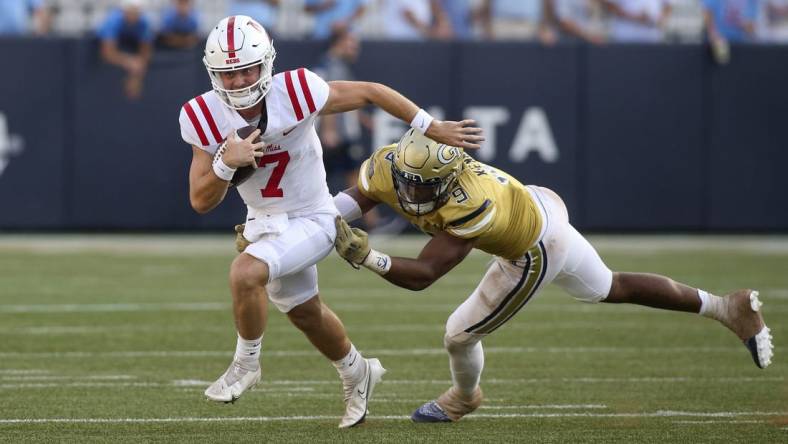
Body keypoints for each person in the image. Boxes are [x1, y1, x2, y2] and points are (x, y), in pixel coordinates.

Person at [324, 129, 773, 422]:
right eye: (404, 180)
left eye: (420, 187)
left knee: (458, 334)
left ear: (446, 181)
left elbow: (425, 273)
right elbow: (359, 196)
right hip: (541, 204)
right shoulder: (392, 162)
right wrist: (311, 222)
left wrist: (368, 257)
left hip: (533, 247)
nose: (407, 192)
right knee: (610, 286)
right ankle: (724, 306)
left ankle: (463, 398)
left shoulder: (471, 202)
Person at [178, 15, 483, 428]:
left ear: (266, 63)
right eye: (228, 74)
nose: (238, 81)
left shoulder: (297, 89)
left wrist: (431, 127)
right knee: (306, 314)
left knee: (245, 272)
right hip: (266, 221)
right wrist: (225, 165)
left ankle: (246, 364)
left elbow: (372, 92)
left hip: (316, 216)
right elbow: (201, 200)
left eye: (246, 69)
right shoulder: (202, 115)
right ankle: (358, 372)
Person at [97, 0, 154, 99]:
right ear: (124, 10)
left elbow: (146, 51)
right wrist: (129, 61)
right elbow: (107, 52)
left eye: (136, 11)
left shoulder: (144, 22)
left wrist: (137, 73)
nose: (134, 14)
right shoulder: (112, 21)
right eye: (131, 10)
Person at [303, 0, 370, 40]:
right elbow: (307, 8)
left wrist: (345, 22)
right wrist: (323, 5)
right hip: (321, 34)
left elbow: (362, 8)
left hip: (345, 36)